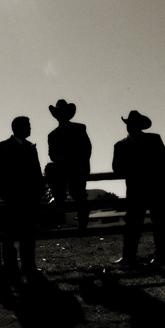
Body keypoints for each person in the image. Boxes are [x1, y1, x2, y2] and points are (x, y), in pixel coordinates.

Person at [111, 111, 165, 266]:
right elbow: (116, 168)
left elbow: (164, 161)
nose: (131, 127)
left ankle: (160, 256)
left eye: (134, 124)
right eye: (129, 124)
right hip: (136, 192)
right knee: (132, 225)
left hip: (155, 189)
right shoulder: (120, 145)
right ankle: (128, 257)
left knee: (160, 224)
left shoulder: (153, 139)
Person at [0, 116, 44, 277]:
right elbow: (0, 174)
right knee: (9, 235)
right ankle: (10, 266)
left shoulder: (30, 147)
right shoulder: (2, 147)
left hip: (30, 199)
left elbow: (37, 173)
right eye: (27, 126)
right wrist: (6, 194)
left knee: (28, 234)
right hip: (13, 199)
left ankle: (29, 265)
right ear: (17, 128)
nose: (30, 128)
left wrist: (38, 193)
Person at [45, 99, 92, 232]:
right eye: (59, 113)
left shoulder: (79, 128)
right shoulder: (52, 135)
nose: (61, 116)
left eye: (63, 113)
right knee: (50, 168)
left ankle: (82, 224)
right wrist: (61, 160)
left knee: (79, 194)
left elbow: (86, 149)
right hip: (64, 168)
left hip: (77, 168)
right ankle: (58, 195)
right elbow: (52, 154)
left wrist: (79, 164)